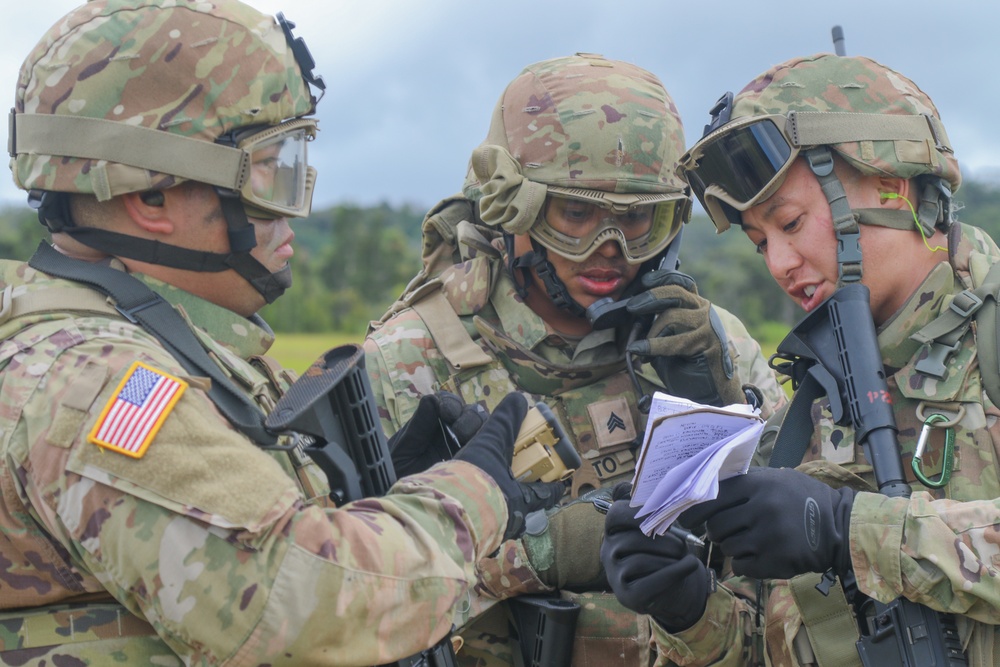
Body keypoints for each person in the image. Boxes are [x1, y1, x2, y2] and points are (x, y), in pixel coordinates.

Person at [0, 1, 564, 665]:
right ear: (148, 197)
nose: (296, 204)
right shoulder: (99, 383)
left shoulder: (142, 340)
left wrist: (383, 494)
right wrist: (477, 488)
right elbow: (306, 605)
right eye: (270, 166)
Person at [363, 53, 786, 667]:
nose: (608, 250)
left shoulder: (707, 342)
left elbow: (781, 581)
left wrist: (718, 413)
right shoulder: (409, 364)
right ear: (516, 207)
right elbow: (340, 594)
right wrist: (537, 553)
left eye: (638, 218)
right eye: (577, 215)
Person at [600, 52, 1000, 666]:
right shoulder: (813, 404)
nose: (780, 264)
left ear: (890, 181)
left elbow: (852, 535)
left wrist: (852, 531)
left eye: (790, 223)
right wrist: (689, 610)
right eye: (762, 243)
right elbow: (785, 641)